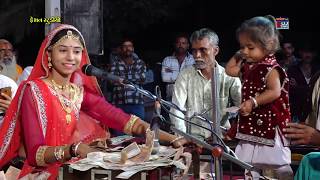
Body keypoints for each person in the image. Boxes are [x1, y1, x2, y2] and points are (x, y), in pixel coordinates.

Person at [0, 24, 186, 179]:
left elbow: (127, 122)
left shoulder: (78, 92)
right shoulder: (33, 90)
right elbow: (35, 154)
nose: (71, 57)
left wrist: (173, 138)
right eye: (63, 50)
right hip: (45, 173)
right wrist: (74, 149)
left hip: (73, 169)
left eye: (77, 51)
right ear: (48, 55)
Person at [225, 16, 293, 179]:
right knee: (249, 162)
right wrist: (239, 54)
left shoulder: (272, 68)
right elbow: (229, 70)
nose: (245, 51)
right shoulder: (249, 66)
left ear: (268, 46)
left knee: (277, 162)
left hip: (270, 123)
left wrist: (253, 102)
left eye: (250, 47)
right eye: (242, 47)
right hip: (252, 123)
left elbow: (274, 91)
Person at [170, 28, 241, 140]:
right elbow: (176, 110)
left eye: (203, 50)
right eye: (194, 50)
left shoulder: (229, 77)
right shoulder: (185, 76)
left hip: (222, 140)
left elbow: (242, 108)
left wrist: (233, 132)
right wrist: (183, 138)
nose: (197, 55)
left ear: (215, 51)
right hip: (192, 140)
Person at [110, 39, 146, 120]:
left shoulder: (140, 63)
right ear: (121, 49)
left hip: (137, 103)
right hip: (119, 103)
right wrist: (133, 77)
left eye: (129, 46)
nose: (127, 48)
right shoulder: (116, 63)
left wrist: (121, 78)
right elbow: (112, 80)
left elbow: (142, 78)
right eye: (125, 46)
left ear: (133, 49)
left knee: (138, 130)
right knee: (119, 131)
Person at [287, 45, 319, 123]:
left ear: (314, 54)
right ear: (300, 53)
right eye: (305, 52)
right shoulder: (293, 70)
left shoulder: (318, 70)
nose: (307, 55)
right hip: (296, 112)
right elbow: (290, 90)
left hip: (314, 112)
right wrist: (308, 88)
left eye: (310, 52)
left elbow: (316, 92)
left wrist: (298, 87)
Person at [161, 33, 195, 101]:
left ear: (188, 45)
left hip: (190, 95)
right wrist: (185, 76)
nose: (180, 45)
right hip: (172, 96)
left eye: (183, 43)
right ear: (175, 45)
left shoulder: (194, 59)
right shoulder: (167, 60)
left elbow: (194, 78)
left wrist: (173, 73)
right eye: (178, 43)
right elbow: (165, 78)